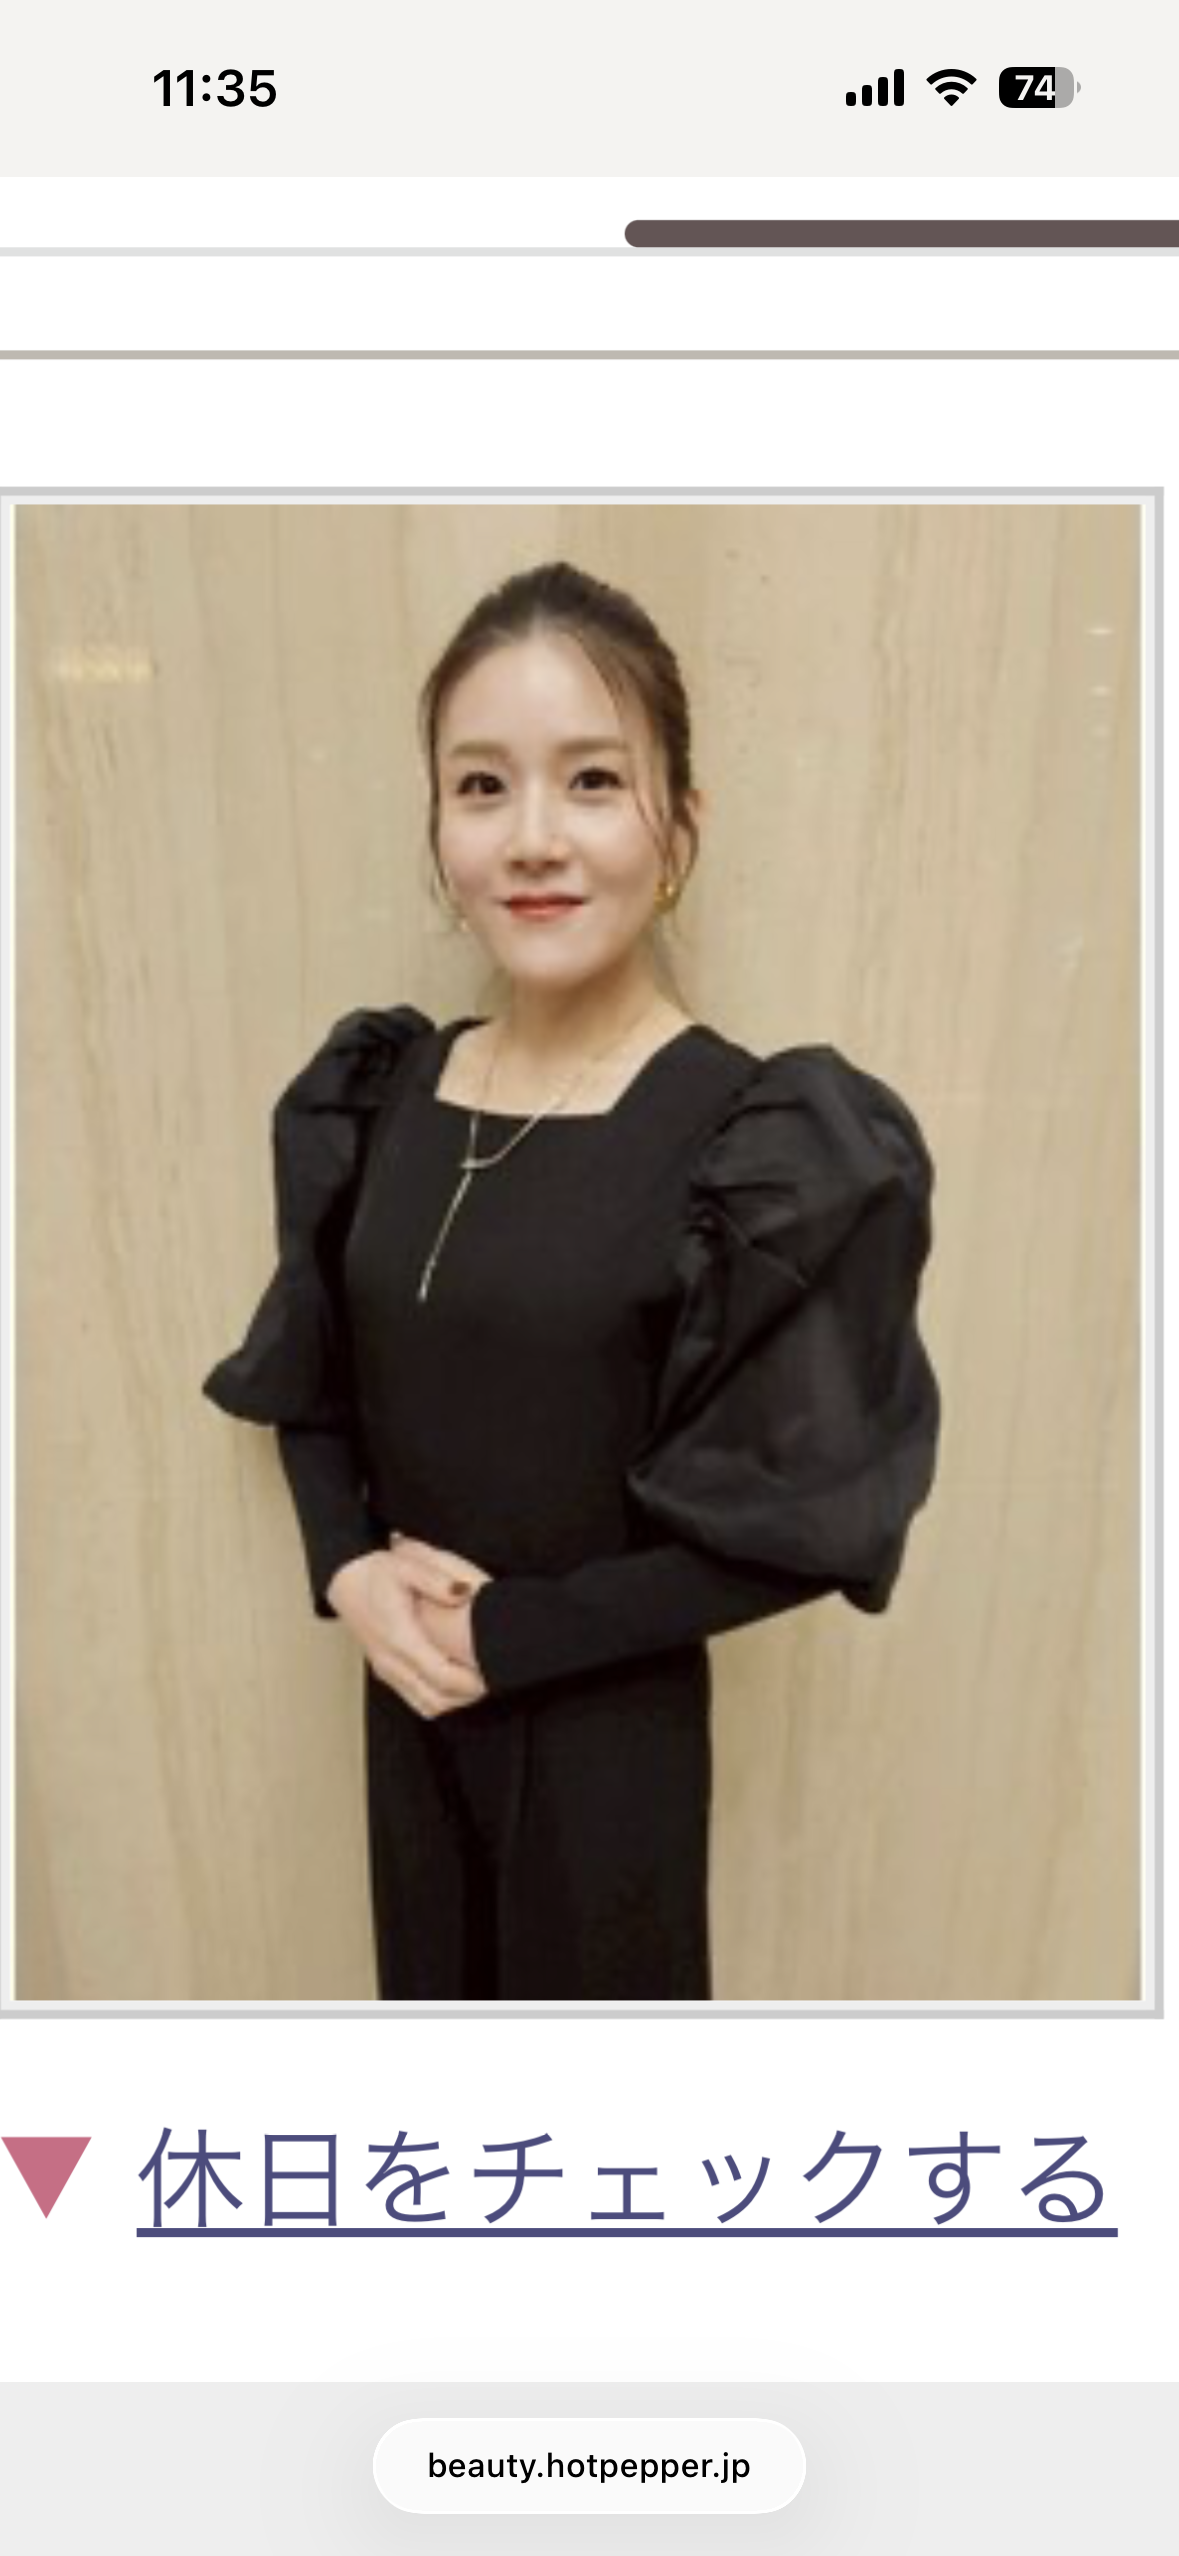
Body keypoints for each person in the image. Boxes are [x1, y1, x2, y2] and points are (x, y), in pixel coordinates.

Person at [203, 558, 940, 2002]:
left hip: (606, 1748)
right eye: (482, 786)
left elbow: (802, 1526)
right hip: (409, 1712)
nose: (533, 837)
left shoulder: (763, 1145)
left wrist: (507, 1636)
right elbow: (311, 1375)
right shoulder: (382, 1089)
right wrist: (349, 1568)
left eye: (592, 781)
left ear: (679, 827)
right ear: (437, 827)